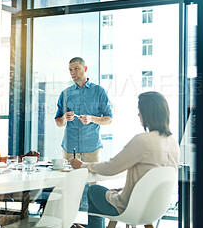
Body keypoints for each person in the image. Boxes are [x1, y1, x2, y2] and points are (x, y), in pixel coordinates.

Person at [70, 91, 180, 228]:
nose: (138, 114)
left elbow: (111, 168)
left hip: (132, 207)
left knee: (93, 190)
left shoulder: (143, 141)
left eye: (140, 110)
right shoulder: (173, 142)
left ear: (148, 113)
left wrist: (82, 165)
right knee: (114, 191)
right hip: (155, 208)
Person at [55, 57, 112, 163]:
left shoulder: (99, 92)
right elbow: (59, 122)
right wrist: (64, 118)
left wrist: (92, 119)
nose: (73, 73)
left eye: (76, 68)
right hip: (70, 149)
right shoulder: (65, 94)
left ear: (85, 68)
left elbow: (109, 119)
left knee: (92, 179)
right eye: (70, 70)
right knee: (70, 179)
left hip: (92, 148)